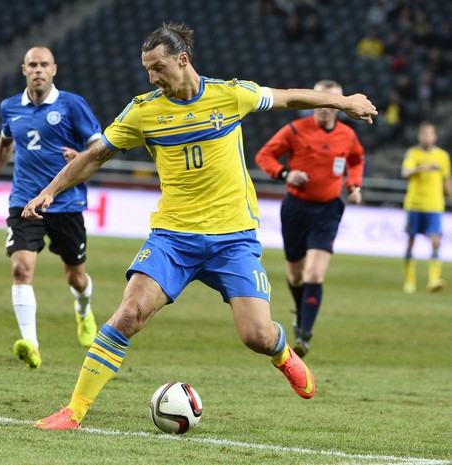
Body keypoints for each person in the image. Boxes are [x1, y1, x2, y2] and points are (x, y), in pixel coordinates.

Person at [22, 23, 377, 429]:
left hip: (233, 239)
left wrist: (345, 101)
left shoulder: (231, 94)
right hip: (173, 238)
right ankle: (74, 411)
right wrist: (51, 190)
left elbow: (289, 97)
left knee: (256, 336)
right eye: (147, 70)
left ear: (182, 60)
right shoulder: (143, 111)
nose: (153, 78)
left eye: (158, 68)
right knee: (128, 314)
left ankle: (281, 352)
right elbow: (95, 154)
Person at [0, 47, 101, 369]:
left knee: (76, 278)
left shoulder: (73, 105)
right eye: (33, 65)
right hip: (24, 201)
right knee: (21, 269)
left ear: (54, 69)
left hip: (65, 202)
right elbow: (5, 143)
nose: (39, 70)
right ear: (23, 69)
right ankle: (31, 343)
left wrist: (81, 158)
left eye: (44, 65)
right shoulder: (10, 107)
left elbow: (99, 146)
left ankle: (83, 310)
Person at [255, 80, 365, 358]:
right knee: (295, 275)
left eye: (332, 103)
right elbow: (264, 155)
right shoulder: (295, 130)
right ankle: (301, 313)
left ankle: (304, 332)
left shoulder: (347, 136)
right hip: (295, 208)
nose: (326, 108)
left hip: (327, 210)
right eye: (321, 101)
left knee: (314, 273)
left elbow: (355, 160)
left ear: (340, 106)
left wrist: (354, 184)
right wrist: (284, 174)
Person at [401, 121, 452, 294]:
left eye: (429, 134)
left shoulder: (443, 156)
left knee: (436, 241)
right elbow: (405, 173)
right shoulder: (413, 153)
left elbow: (446, 181)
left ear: (435, 136)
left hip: (434, 205)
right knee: (410, 241)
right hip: (414, 204)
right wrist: (425, 167)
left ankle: (434, 279)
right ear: (419, 136)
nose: (426, 137)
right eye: (423, 134)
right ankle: (409, 281)